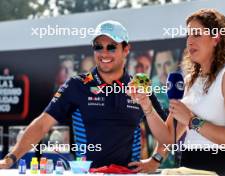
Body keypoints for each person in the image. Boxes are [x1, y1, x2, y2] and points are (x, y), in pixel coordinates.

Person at [0, 20, 166, 169]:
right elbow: (42, 125)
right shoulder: (77, 85)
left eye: (112, 46)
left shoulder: (139, 87)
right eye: (98, 46)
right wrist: (9, 159)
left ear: (126, 49)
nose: (104, 53)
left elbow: (167, 131)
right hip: (87, 173)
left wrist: (156, 159)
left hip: (128, 174)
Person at [128, 9, 225, 175]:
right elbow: (168, 136)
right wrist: (146, 105)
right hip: (189, 167)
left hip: (220, 168)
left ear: (216, 38)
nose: (189, 41)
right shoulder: (190, 80)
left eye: (196, 34)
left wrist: (192, 121)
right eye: (188, 35)